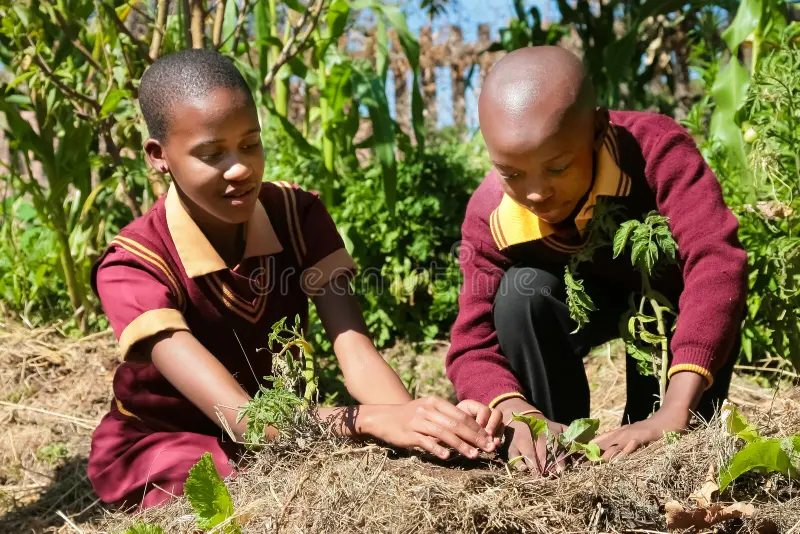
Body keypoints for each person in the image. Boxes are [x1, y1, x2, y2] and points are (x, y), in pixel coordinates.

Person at [88, 48, 502, 509]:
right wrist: (366, 421)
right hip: (170, 442)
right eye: (211, 153)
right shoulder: (134, 266)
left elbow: (356, 354)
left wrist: (419, 425)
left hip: (287, 426)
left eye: (250, 143)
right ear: (158, 156)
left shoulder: (297, 215)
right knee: (243, 484)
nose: (240, 167)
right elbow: (244, 419)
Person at [446, 46, 747, 472]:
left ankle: (668, 416)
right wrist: (518, 413)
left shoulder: (654, 151)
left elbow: (717, 263)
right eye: (511, 173)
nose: (535, 193)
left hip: (663, 311)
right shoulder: (490, 214)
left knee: (661, 459)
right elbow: (470, 343)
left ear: (598, 128)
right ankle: (557, 450)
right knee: (519, 295)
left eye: (557, 167)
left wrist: (673, 413)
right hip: (577, 307)